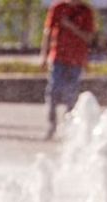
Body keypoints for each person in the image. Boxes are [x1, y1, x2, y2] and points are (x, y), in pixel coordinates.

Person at [40, 0, 96, 140]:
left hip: (76, 60)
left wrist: (70, 26)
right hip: (58, 57)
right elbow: (48, 32)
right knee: (53, 91)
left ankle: (69, 127)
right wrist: (43, 55)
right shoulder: (58, 8)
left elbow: (89, 38)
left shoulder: (86, 11)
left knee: (71, 95)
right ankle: (51, 125)